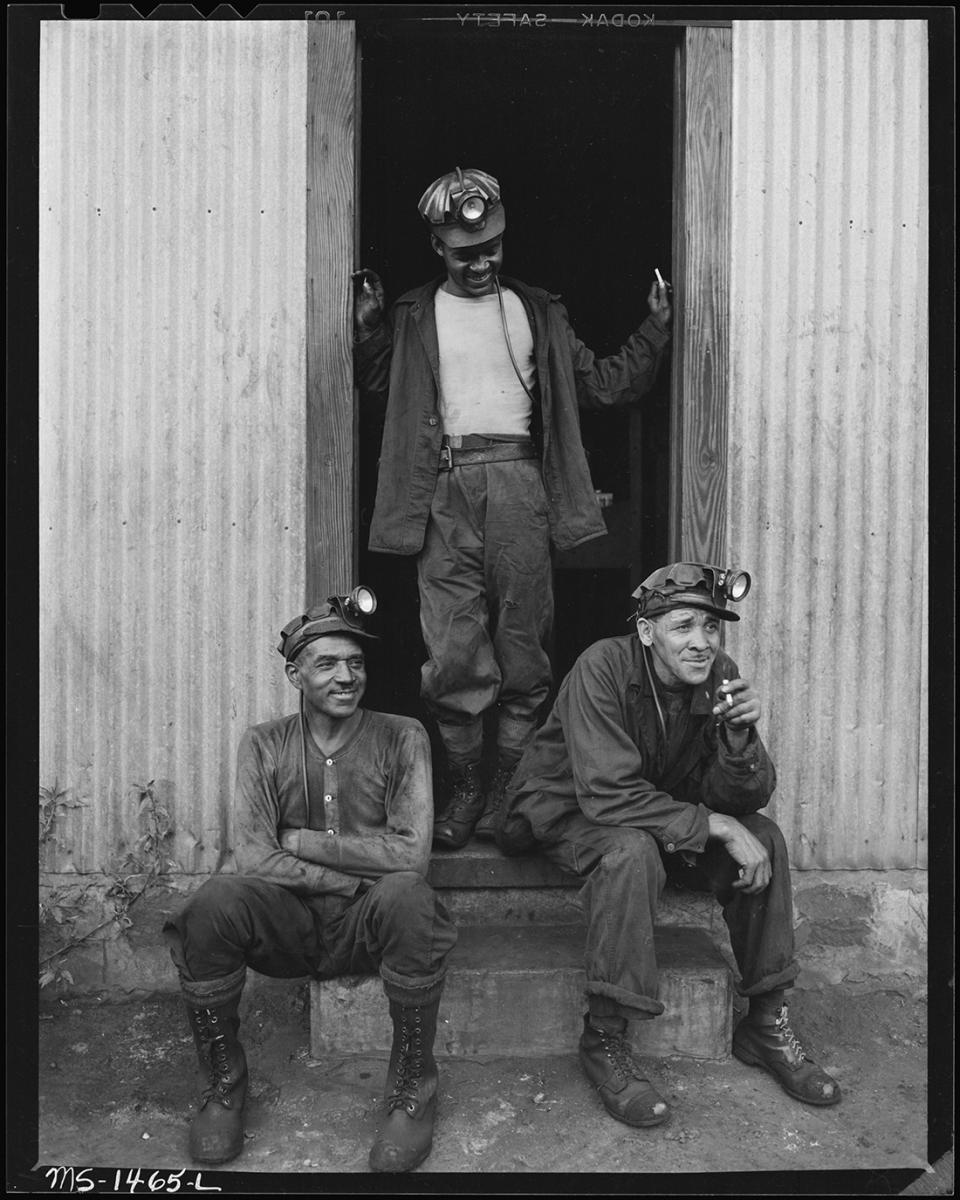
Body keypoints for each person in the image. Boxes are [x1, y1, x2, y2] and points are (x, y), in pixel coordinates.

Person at [353, 167, 673, 851]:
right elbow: (382, 389)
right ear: (438, 246)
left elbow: (604, 385)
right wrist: (372, 330)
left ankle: (506, 790)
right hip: (439, 490)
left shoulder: (538, 312)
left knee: (524, 646)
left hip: (521, 484)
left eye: (491, 248)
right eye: (465, 252)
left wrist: (655, 329)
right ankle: (466, 788)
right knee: (452, 653)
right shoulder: (413, 313)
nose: (481, 262)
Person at [494, 562, 841, 1127]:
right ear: (648, 631)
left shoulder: (717, 672)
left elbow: (743, 795)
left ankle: (766, 1021)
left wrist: (737, 740)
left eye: (711, 627)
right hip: (568, 809)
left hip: (658, 814)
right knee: (630, 851)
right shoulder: (602, 666)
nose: (701, 643)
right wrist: (716, 827)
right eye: (683, 626)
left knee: (766, 837)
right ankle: (604, 1037)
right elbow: (605, 792)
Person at [163, 588, 457, 1173]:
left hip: (368, 927)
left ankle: (410, 1094)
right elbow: (253, 858)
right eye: (327, 664)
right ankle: (224, 1088)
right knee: (212, 903)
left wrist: (300, 843)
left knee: (410, 898)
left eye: (356, 663)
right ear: (296, 675)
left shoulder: (403, 737)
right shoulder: (264, 743)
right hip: (289, 926)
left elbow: (409, 859)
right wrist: (347, 878)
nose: (346, 677)